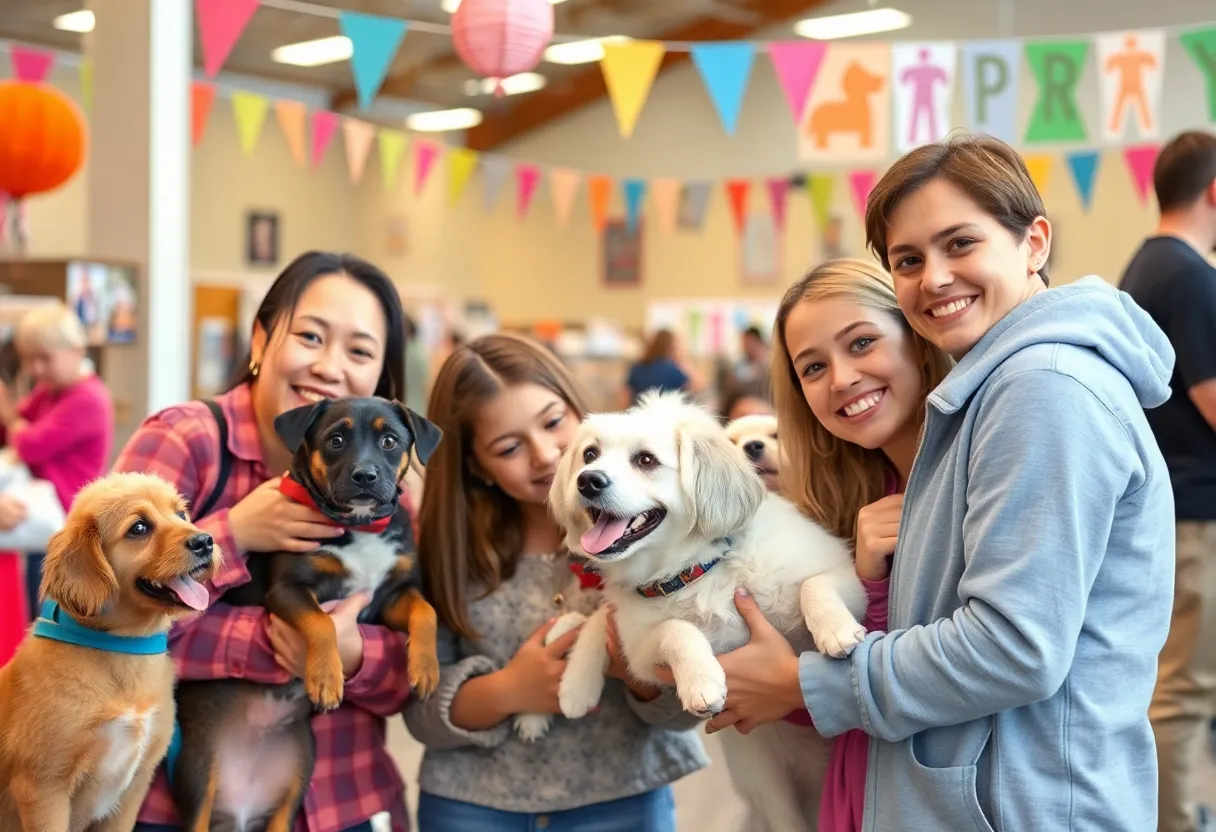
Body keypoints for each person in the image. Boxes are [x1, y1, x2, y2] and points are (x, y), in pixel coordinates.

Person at [700, 134, 1177, 831]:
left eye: (960, 243)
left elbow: (1013, 648)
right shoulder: (995, 397)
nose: (935, 278)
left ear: (1034, 242)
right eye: (909, 260)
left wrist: (811, 684)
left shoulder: (1042, 389)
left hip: (1027, 804)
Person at [114, 251, 416, 832]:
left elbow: (420, 676)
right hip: (182, 803)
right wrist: (235, 535)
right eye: (310, 336)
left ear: (380, 375)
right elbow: (95, 617)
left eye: (359, 351)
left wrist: (355, 654)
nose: (329, 366)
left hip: (346, 801)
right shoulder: (186, 441)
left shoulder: (391, 489)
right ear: (260, 337)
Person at [404, 333, 707, 832]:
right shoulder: (448, 552)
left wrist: (637, 670)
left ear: (579, 410)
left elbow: (691, 708)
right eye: (508, 447)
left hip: (626, 800)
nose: (546, 454)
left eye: (552, 423)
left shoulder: (655, 533)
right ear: (476, 466)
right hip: (470, 807)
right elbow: (419, 711)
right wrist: (507, 691)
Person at [766, 258, 952, 830]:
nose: (842, 379)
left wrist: (869, 589)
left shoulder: (978, 481)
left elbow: (984, 669)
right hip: (857, 794)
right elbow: (808, 710)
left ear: (917, 335)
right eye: (813, 367)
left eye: (862, 342)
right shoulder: (839, 505)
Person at [1121, 129, 1216, 832]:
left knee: (1177, 686)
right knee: (1185, 693)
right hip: (1194, 516)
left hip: (1173, 510)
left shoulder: (1146, 266)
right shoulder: (1190, 277)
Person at [0, 302, 113, 620]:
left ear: (76, 351)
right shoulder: (50, 390)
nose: (35, 369)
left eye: (44, 358)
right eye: (28, 359)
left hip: (64, 521)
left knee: (48, 615)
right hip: (42, 517)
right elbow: (15, 428)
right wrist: (14, 421)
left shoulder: (88, 398)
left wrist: (9, 415)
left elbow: (29, 445)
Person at [624, 328, 701, 407]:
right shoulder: (672, 369)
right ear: (671, 347)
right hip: (667, 411)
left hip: (641, 411)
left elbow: (625, 395)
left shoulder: (637, 367)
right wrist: (682, 360)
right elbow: (698, 385)